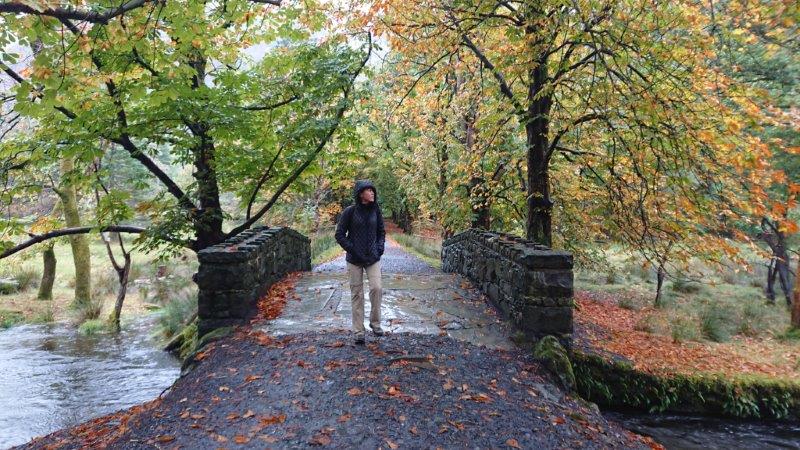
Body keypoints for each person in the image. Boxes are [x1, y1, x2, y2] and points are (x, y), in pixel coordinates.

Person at [335, 179, 386, 345]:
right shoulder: (349, 212)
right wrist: (353, 249)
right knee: (356, 294)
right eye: (368, 190)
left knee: (377, 288)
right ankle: (358, 331)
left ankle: (375, 323)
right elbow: (340, 234)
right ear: (360, 193)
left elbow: (381, 232)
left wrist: (379, 249)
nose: (372, 193)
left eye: (373, 190)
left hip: (373, 258)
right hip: (354, 260)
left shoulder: (376, 210)